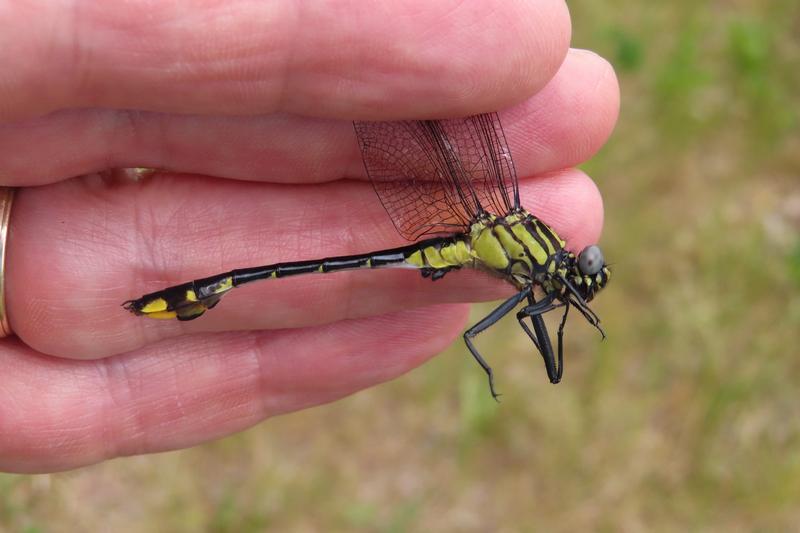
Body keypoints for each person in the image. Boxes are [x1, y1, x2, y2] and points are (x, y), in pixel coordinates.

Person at [0, 0, 618, 473]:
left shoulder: (538, 267)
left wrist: (559, 315)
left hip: (464, 239)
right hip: (455, 239)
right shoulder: (534, 264)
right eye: (580, 278)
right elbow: (527, 326)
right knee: (272, 276)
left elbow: (547, 347)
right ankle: (211, 287)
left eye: (581, 279)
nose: (577, 283)